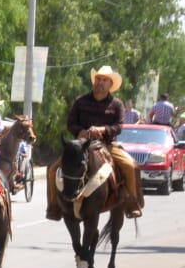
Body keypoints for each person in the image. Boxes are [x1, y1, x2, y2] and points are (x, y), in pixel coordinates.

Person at [47, 65, 143, 220]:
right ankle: (54, 206)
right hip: (81, 145)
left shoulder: (117, 104)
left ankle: (132, 203)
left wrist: (102, 129)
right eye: (98, 79)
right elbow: (71, 123)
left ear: (110, 84)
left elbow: (118, 127)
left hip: (106, 145)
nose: (100, 82)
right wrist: (81, 131)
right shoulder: (81, 101)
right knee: (52, 169)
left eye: (104, 80)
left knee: (130, 166)